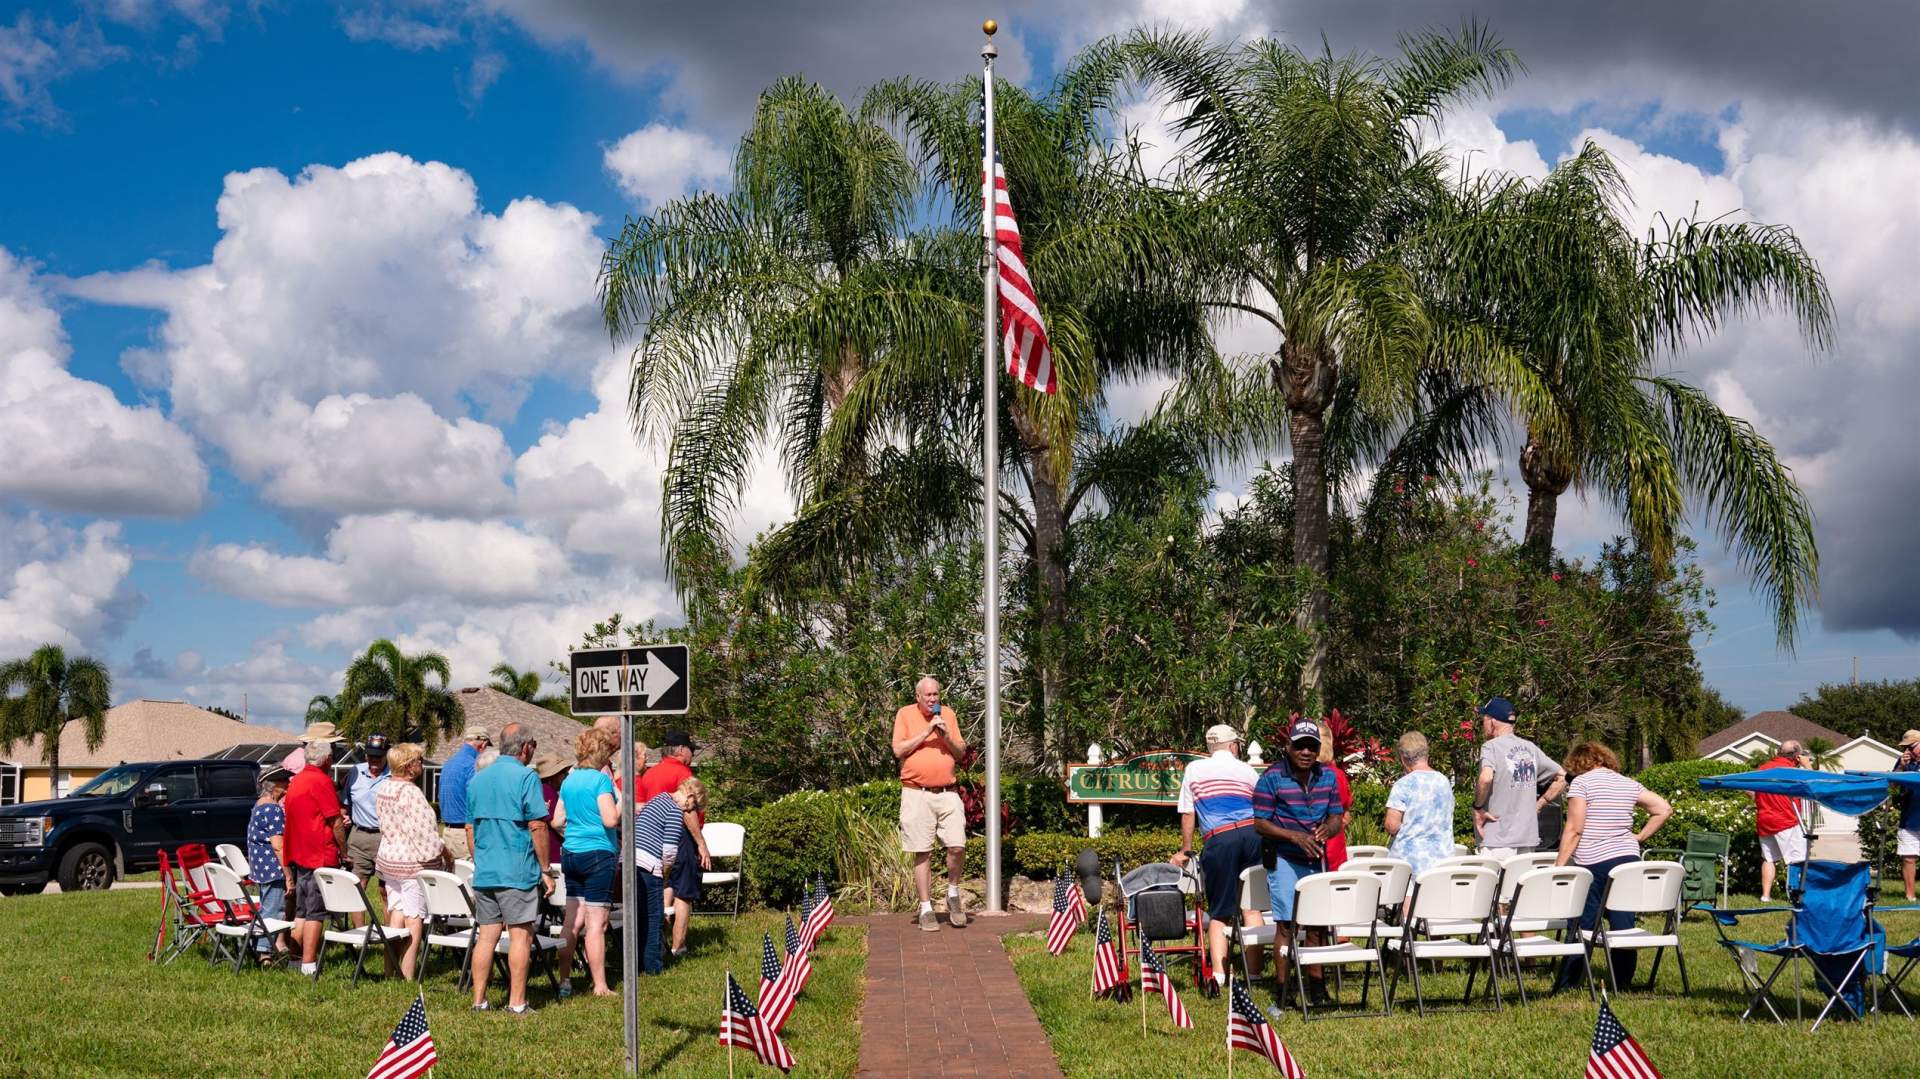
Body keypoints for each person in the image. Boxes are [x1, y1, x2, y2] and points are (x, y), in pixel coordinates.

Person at [1551, 742, 1672, 993]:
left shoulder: (1582, 784)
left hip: (1594, 861)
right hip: (1628, 861)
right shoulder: (1628, 783)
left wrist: (1559, 865)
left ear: (1577, 762)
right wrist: (1638, 838)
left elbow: (1575, 828)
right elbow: (1663, 809)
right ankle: (1623, 982)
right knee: (1623, 922)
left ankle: (1569, 981)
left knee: (1583, 924)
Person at [1252, 718, 1345, 1003]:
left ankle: (1317, 987)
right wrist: (1295, 837)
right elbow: (1260, 823)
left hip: (1314, 857)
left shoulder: (1327, 777)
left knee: (1316, 924)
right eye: (1300, 746)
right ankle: (1284, 990)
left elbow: (1337, 817)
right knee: (1286, 924)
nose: (1306, 752)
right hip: (1283, 857)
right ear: (1288, 747)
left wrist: (1328, 828)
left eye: (1311, 747)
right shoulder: (1271, 777)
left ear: (1319, 750)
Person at [465, 723, 554, 1013]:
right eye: (534, 745)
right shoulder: (527, 776)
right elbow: (538, 824)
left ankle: (479, 1000)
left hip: (486, 869)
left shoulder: (478, 778)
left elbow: (470, 826)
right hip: (516, 869)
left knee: (486, 935)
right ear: (526, 746)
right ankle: (517, 1003)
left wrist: (479, 858)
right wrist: (545, 868)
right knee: (520, 934)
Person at [1171, 723, 1264, 994]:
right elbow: (1260, 808)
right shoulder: (1247, 770)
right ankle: (1255, 973)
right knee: (1252, 906)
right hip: (1252, 835)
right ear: (1234, 746)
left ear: (1210, 747)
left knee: (1220, 911)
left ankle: (1220, 975)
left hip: (1220, 839)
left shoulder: (1195, 770)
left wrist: (1186, 849)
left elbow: (1188, 814)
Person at [892, 676, 969, 932]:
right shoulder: (905, 715)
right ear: (918, 697)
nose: (933, 699)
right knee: (922, 850)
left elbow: (960, 753)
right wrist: (926, 732)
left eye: (936, 694)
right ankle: (926, 909)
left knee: (957, 845)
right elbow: (898, 750)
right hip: (916, 793)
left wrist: (945, 736)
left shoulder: (948, 714)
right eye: (928, 695)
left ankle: (953, 893)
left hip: (948, 791)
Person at [553, 727, 621, 997]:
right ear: (601, 752)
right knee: (596, 924)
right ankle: (600, 985)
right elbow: (610, 820)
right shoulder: (600, 780)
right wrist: (623, 802)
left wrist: (575, 831)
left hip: (571, 853)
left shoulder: (569, 780)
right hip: (598, 854)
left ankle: (565, 981)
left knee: (572, 920)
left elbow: (557, 820)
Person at [374, 742, 445, 981]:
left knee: (396, 913)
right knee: (414, 919)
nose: (421, 764)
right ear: (408, 765)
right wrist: (439, 857)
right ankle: (407, 974)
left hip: (389, 859)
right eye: (419, 761)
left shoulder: (384, 787)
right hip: (412, 863)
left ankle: (389, 970)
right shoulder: (411, 792)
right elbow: (425, 833)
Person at [639, 730, 711, 959]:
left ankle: (658, 939)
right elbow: (687, 811)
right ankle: (678, 946)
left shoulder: (650, 774)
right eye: (690, 749)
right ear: (681, 749)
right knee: (684, 892)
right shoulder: (683, 773)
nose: (692, 754)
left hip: (653, 840)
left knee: (664, 886)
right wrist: (700, 843)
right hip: (680, 838)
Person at [283, 737, 347, 978]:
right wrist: (345, 850)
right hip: (319, 854)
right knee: (315, 912)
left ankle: (295, 958)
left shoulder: (296, 781)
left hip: (299, 854)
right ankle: (309, 964)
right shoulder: (321, 781)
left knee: (301, 911)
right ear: (328, 760)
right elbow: (335, 821)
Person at [1473, 697, 1566, 857]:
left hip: (1496, 839)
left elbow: (1486, 778)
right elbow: (1563, 776)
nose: (1483, 724)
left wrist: (1477, 808)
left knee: (1495, 882)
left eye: (1484, 720)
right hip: (1527, 839)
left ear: (1492, 722)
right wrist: (1539, 804)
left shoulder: (1490, 747)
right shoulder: (1530, 748)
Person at [634, 777, 706, 974]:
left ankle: (637, 963)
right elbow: (669, 851)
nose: (691, 810)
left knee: (639, 917)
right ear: (690, 797)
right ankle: (653, 967)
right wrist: (665, 876)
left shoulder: (658, 800)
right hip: (649, 865)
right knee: (654, 918)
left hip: (631, 861)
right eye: (694, 806)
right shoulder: (675, 811)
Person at [1384, 732, 1454, 889]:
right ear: (1426, 754)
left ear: (1403, 758)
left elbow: (1391, 825)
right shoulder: (1443, 781)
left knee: (1410, 911)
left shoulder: (1403, 785)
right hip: (1442, 858)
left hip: (1410, 862)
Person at [341, 733, 392, 924]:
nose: (373, 760)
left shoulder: (393, 776)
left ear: (386, 754)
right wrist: (344, 815)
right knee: (357, 888)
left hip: (385, 838)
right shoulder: (355, 772)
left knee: (385, 890)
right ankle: (358, 938)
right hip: (359, 837)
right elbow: (345, 804)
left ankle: (390, 935)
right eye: (370, 755)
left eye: (378, 756)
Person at [244, 768, 291, 960]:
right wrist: (288, 875)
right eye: (285, 781)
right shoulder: (272, 808)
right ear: (275, 785)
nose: (288, 784)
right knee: (274, 909)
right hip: (272, 868)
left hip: (261, 867)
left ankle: (262, 946)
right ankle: (264, 952)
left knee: (267, 906)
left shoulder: (259, 805)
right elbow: (278, 846)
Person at [1753, 740, 1809, 902]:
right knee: (1796, 858)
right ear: (1796, 756)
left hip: (1765, 819)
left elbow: (1748, 790)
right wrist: (1806, 765)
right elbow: (1815, 783)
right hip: (1786, 819)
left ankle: (1765, 896)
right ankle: (1796, 896)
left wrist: (1762, 801)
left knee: (1768, 858)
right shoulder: (1791, 771)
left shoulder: (1763, 768)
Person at [439, 725, 490, 861]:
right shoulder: (472, 765)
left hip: (447, 832)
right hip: (464, 834)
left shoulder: (449, 763)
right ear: (483, 743)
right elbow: (476, 799)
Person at [1317, 720, 1353, 872]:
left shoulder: (1312, 775)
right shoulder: (1338, 775)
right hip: (1334, 848)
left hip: (1321, 851)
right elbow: (1346, 811)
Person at [1894, 730, 1920, 902]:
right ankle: (1910, 895)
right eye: (1906, 747)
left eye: (1911, 746)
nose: (1908, 751)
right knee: (1909, 858)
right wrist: (1902, 767)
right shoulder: (1904, 761)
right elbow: (1891, 783)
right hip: (1910, 817)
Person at [535, 753, 571, 866]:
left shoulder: (544, 789)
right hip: (553, 854)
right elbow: (557, 823)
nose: (566, 775)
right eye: (563, 772)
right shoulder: (547, 791)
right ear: (553, 775)